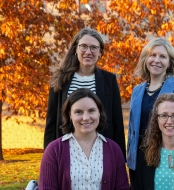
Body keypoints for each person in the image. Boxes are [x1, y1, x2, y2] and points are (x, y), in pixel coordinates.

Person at [44, 27, 126, 159]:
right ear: (76, 49)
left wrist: (120, 158)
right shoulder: (61, 78)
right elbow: (51, 120)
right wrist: (48, 156)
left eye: (94, 48)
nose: (88, 52)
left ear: (100, 53)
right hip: (66, 150)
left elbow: (117, 120)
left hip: (100, 150)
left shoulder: (109, 80)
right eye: (83, 46)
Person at [127, 37, 174, 189]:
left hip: (168, 156)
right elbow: (133, 128)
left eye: (162, 56)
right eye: (152, 55)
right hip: (138, 159)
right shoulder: (137, 91)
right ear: (146, 59)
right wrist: (130, 159)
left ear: (170, 62)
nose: (156, 60)